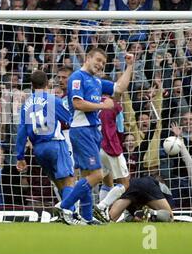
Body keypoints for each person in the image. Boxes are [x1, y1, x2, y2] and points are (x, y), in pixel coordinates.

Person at [55, 48, 134, 225]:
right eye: (98, 60)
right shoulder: (77, 77)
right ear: (88, 58)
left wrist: (129, 66)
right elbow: (77, 103)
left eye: (103, 63)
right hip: (82, 130)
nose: (100, 65)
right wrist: (103, 106)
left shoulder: (96, 81)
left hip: (92, 132)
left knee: (87, 176)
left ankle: (87, 217)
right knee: (97, 175)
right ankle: (65, 207)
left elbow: (119, 87)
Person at [16, 70, 75, 213]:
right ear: (47, 83)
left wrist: (20, 156)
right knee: (69, 180)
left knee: (59, 183)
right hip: (55, 143)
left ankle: (67, 212)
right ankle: (71, 214)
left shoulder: (26, 104)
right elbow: (69, 119)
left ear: (31, 85)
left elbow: (22, 131)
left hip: (38, 150)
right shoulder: (53, 100)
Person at [94, 93, 130, 223]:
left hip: (98, 147)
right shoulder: (115, 107)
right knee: (124, 183)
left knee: (106, 180)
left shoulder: (94, 105)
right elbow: (120, 130)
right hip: (112, 148)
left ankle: (102, 211)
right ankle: (101, 207)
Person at [108, 175, 174, 222]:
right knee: (170, 217)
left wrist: (137, 218)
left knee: (109, 220)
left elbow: (128, 218)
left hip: (131, 184)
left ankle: (149, 213)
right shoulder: (165, 193)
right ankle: (150, 213)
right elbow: (168, 215)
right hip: (148, 184)